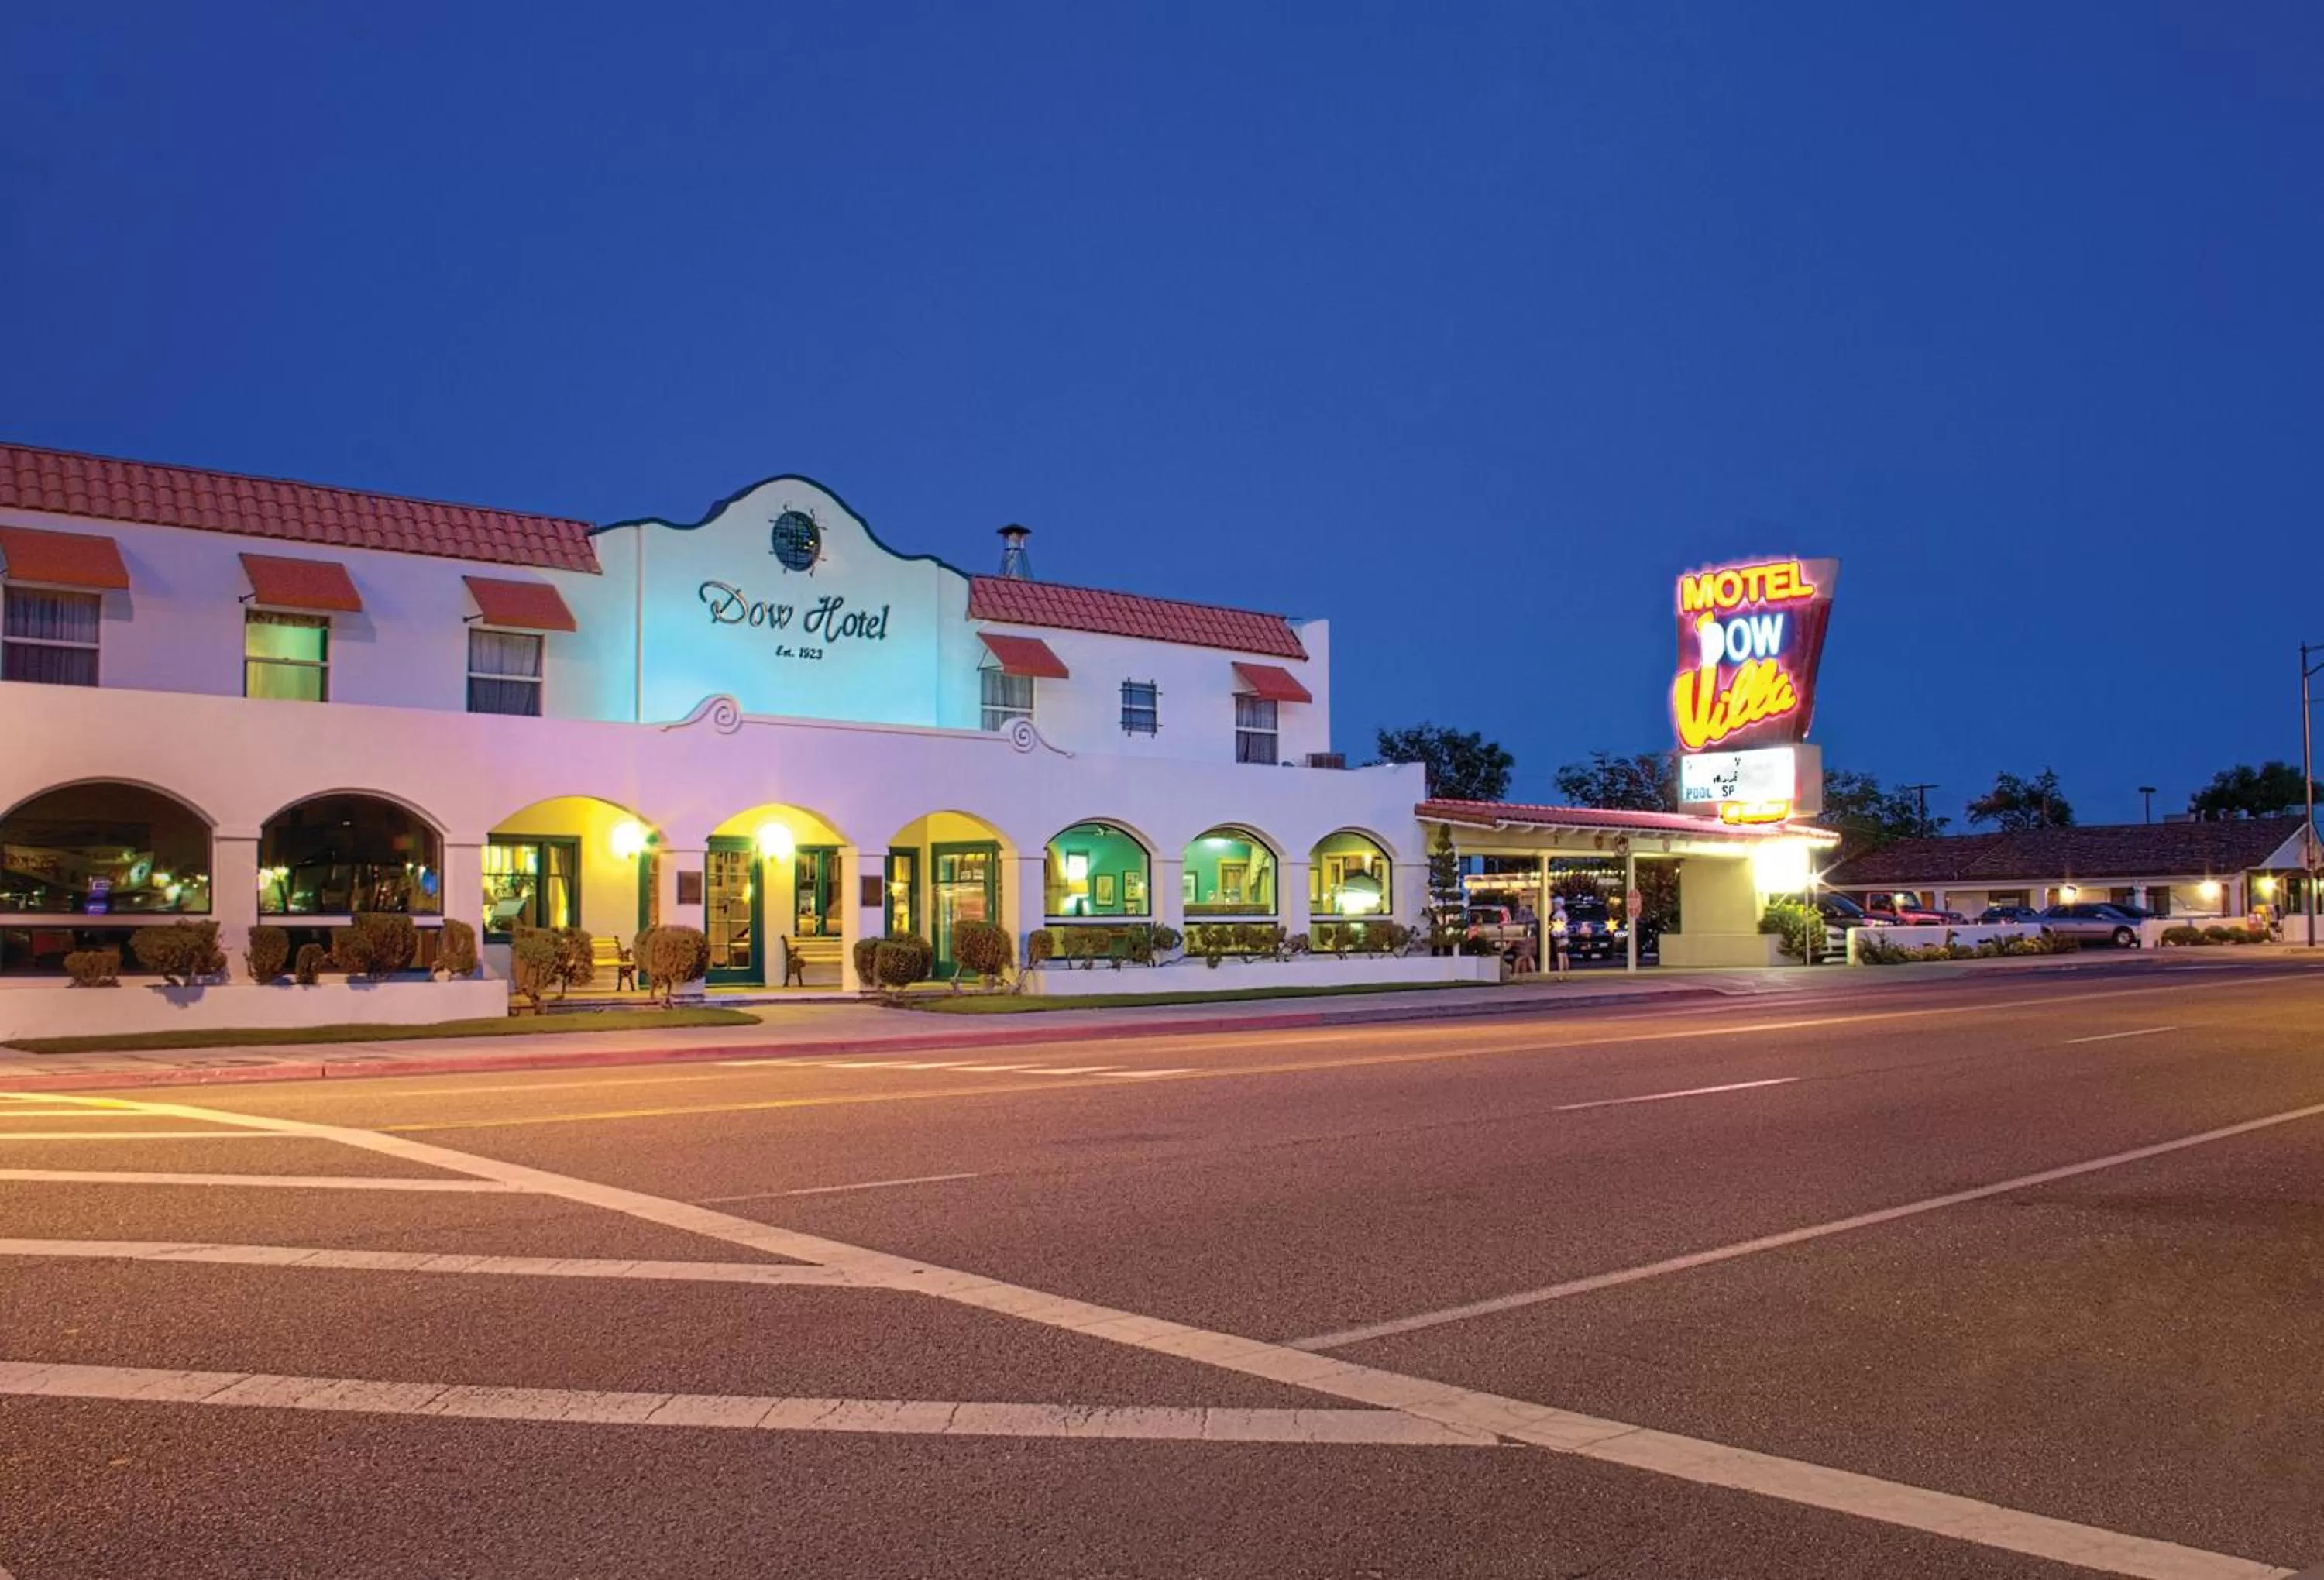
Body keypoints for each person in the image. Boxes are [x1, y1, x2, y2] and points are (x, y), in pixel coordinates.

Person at [1548, 898, 1571, 977]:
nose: (1554, 906)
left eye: (1555, 904)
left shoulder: (1557, 915)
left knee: (1560, 954)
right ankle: (1566, 972)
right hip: (1565, 936)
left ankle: (1561, 973)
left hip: (1560, 936)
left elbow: (1556, 927)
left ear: (1559, 905)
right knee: (1564, 954)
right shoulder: (1564, 914)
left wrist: (1554, 934)